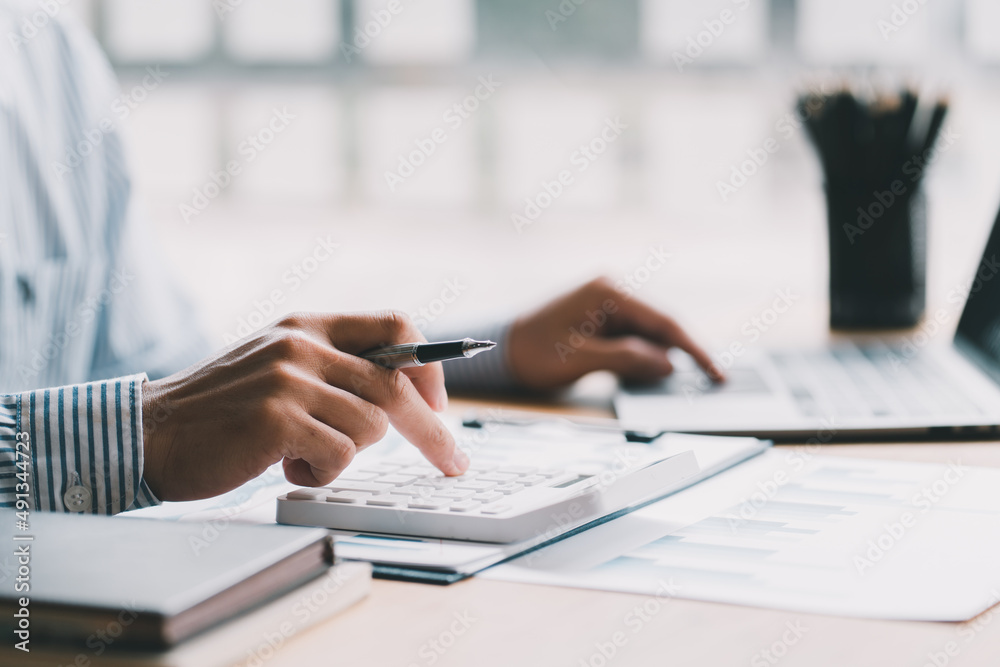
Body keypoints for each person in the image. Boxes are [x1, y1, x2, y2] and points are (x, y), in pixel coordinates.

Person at [0, 3, 722, 515]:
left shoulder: (44, 48)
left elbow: (186, 391)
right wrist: (137, 438)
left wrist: (504, 351)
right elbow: (159, 420)